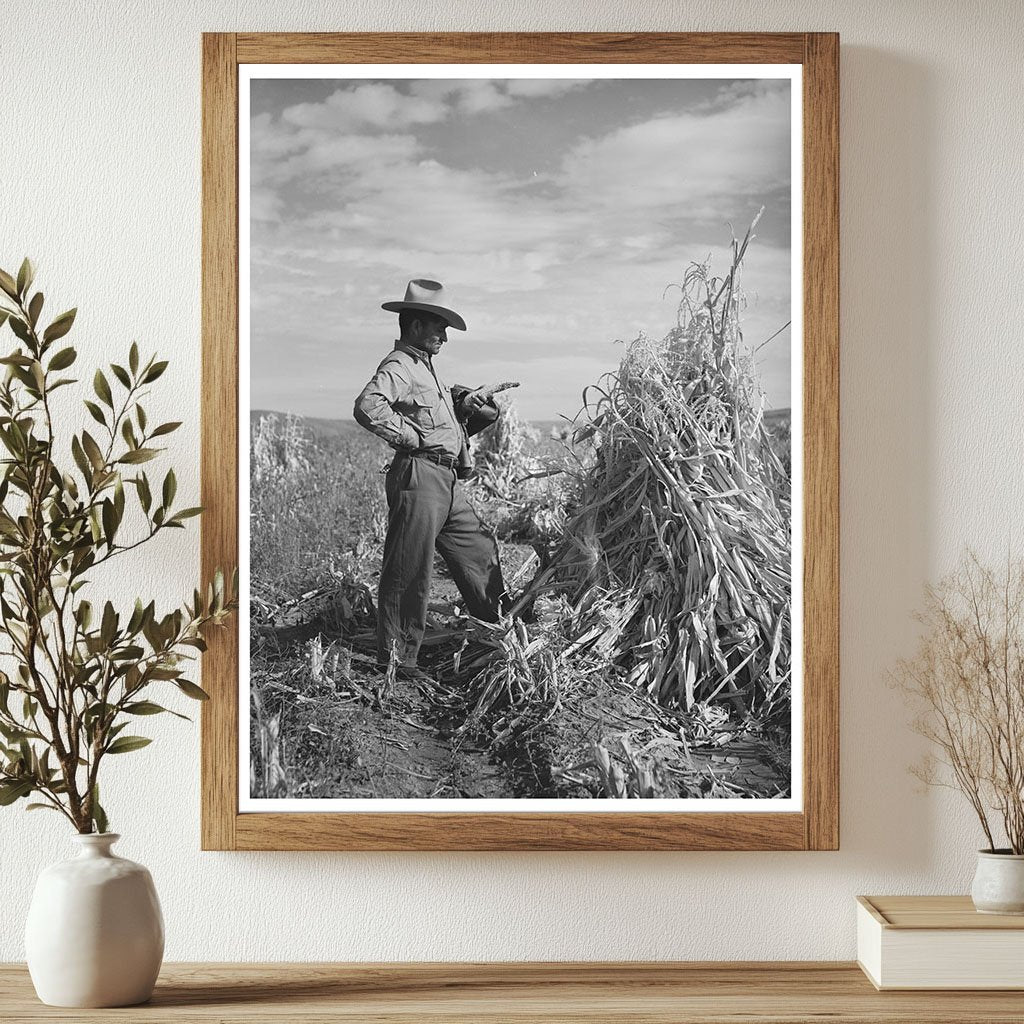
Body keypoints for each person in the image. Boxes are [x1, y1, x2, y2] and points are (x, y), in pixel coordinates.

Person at [353, 279, 508, 670]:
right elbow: (369, 406)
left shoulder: (428, 370)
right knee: (409, 569)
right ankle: (398, 661)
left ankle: (501, 630)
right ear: (416, 325)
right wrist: (410, 437)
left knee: (479, 550)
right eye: (439, 327)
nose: (444, 336)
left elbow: (444, 424)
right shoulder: (401, 365)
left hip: (445, 481)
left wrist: (468, 405)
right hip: (419, 476)